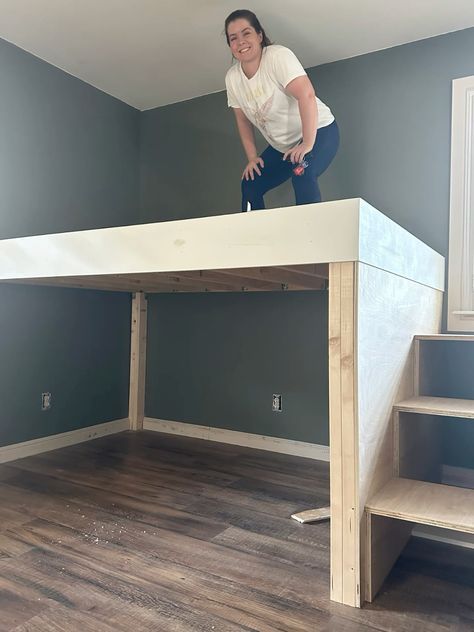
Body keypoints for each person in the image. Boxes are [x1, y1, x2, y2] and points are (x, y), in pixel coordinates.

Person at [224, 9, 339, 211]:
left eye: (246, 33)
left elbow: (307, 95)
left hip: (320, 131)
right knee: (250, 183)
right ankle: (253, 238)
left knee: (302, 171)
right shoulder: (232, 79)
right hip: (282, 147)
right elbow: (242, 120)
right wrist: (252, 158)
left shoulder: (277, 57)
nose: (240, 41)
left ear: (259, 35)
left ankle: (308, 236)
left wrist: (308, 143)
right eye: (233, 38)